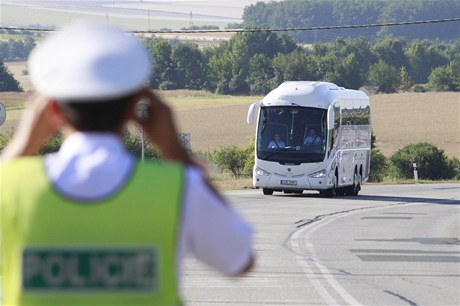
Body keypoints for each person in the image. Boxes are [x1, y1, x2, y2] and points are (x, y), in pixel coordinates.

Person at [0, 23, 253, 305]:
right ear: (135, 107)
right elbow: (240, 259)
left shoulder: (9, 189)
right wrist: (176, 152)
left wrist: (21, 147)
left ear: (53, 110)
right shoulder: (178, 188)